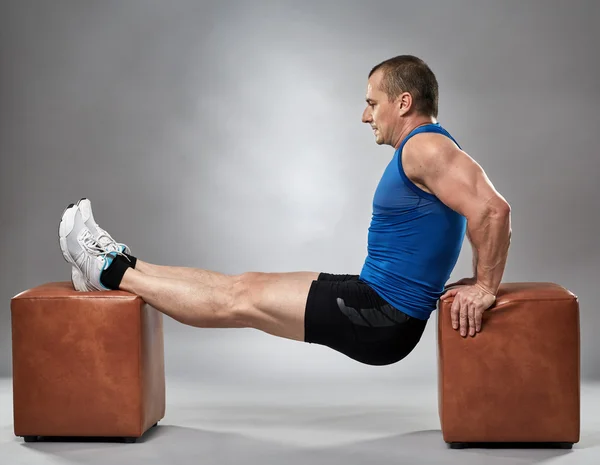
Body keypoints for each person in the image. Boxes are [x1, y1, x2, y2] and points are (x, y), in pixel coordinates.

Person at [58, 55, 511, 366]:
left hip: (382, 315)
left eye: (372, 103)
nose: (365, 115)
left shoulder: (425, 147)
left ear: (404, 102)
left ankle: (106, 271)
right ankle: (119, 262)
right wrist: (477, 275)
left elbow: (492, 211)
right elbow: (479, 214)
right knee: (245, 286)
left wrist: (485, 285)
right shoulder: (427, 148)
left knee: (241, 301)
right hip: (374, 297)